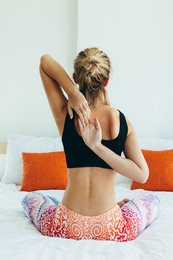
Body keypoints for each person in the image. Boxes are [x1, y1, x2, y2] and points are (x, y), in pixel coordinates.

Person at [22, 48, 160, 242]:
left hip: (67, 226)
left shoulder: (66, 114)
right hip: (110, 228)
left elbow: (45, 61)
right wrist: (98, 147)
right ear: (106, 81)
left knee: (31, 198)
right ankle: (116, 207)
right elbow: (142, 175)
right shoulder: (121, 121)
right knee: (151, 200)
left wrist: (71, 92)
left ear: (75, 77)